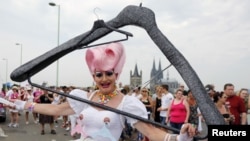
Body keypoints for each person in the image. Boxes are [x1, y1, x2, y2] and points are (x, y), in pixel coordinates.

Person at [11, 42, 195, 141]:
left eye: (109, 73)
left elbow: (151, 132)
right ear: (93, 76)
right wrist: (24, 104)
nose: (104, 79)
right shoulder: (85, 97)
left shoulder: (127, 103)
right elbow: (57, 110)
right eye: (99, 74)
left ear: (117, 74)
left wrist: (179, 138)